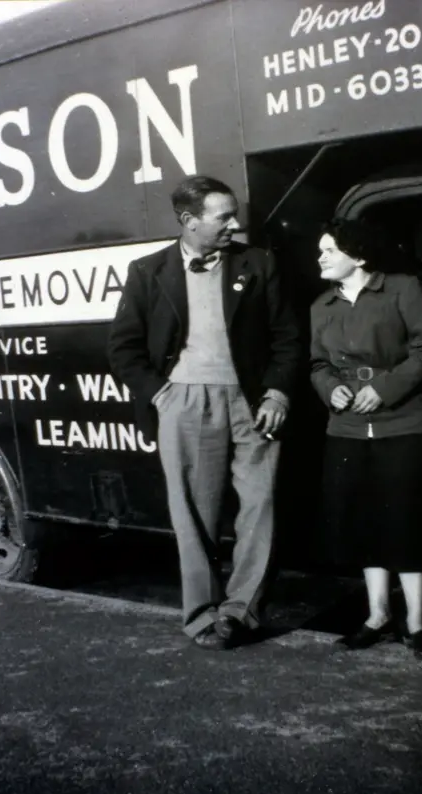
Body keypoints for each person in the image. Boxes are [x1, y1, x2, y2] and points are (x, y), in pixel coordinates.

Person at [108, 176, 301, 650]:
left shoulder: (259, 264)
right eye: (224, 217)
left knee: (262, 506)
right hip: (185, 402)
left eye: (234, 215)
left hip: (253, 401)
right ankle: (201, 616)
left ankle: (242, 612)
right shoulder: (147, 271)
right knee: (194, 514)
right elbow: (123, 347)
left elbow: (287, 338)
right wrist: (161, 394)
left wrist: (276, 394)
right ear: (189, 221)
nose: (234, 225)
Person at [310, 217, 422, 659]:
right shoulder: (320, 306)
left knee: (406, 523)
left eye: (330, 249)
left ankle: (418, 624)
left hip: (404, 424)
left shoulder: (402, 289)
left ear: (359, 256)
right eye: (321, 250)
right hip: (346, 429)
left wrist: (383, 389)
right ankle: (377, 616)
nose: (321, 257)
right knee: (363, 522)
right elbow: (317, 365)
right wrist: (333, 389)